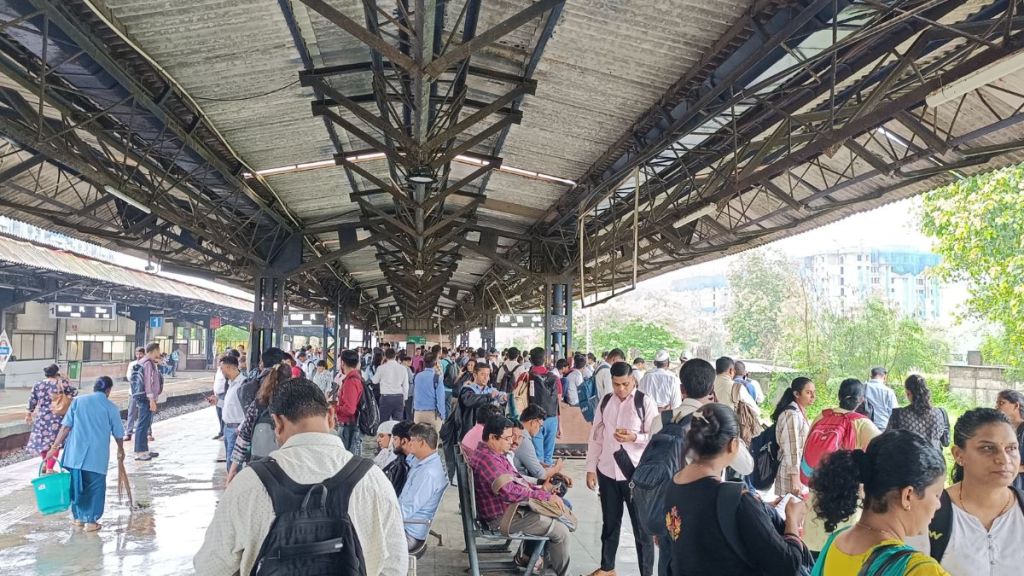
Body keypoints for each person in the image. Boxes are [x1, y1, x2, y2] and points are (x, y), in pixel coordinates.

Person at [194, 381, 407, 576]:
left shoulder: (249, 483)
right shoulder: (373, 480)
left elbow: (210, 566)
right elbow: (395, 564)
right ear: (331, 416)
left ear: (277, 422)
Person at [663, 403, 811, 576]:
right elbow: (787, 565)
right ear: (733, 444)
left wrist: (761, 509)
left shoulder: (673, 486)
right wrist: (792, 518)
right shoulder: (737, 501)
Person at [810, 430, 948, 575]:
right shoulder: (920, 570)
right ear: (907, 496)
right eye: (937, 495)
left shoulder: (835, 543)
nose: (938, 505)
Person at [905, 408, 1024, 576]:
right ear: (959, 455)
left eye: (1011, 448)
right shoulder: (932, 513)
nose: (1004, 459)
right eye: (988, 448)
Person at [469, 416, 571, 576]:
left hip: (509, 510)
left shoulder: (493, 455)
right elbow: (509, 491)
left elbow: (516, 480)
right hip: (503, 517)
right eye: (507, 438)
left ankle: (544, 567)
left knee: (560, 513)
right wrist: (545, 497)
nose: (512, 441)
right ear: (492, 438)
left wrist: (541, 489)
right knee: (561, 531)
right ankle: (552, 571)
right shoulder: (489, 460)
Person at [585, 361, 658, 576]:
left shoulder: (644, 402)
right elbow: (596, 436)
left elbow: (655, 438)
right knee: (610, 523)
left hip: (635, 474)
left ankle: (646, 572)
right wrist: (591, 468)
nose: (621, 389)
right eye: (616, 384)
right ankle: (607, 568)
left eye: (625, 384)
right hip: (607, 472)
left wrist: (635, 437)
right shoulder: (606, 401)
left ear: (633, 380)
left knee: (641, 528)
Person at [803, 378, 881, 551]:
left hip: (816, 499)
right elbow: (883, 454)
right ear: (861, 400)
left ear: (839, 396)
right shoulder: (862, 423)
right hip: (847, 504)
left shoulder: (821, 417)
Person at [45, 376, 125, 532]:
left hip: (75, 453)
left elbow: (65, 427)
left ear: (94, 387)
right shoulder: (111, 407)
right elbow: (118, 434)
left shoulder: (78, 402)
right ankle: (91, 521)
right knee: (95, 487)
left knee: (76, 485)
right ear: (108, 390)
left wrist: (54, 447)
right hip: (96, 456)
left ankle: (78, 519)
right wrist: (120, 449)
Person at [227, 363, 293, 483]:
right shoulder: (294, 405)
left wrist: (233, 469)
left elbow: (244, 436)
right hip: (286, 466)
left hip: (259, 467)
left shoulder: (259, 404)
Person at [399, 423, 447, 551]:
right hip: (404, 525)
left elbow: (405, 510)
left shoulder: (427, 474)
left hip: (408, 533)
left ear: (422, 443)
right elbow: (410, 460)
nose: (409, 444)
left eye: (412, 441)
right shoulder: (423, 460)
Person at [26, 364, 77, 472]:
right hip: (57, 417)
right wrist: (65, 379)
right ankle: (50, 468)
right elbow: (74, 392)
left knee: (43, 442)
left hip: (42, 417)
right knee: (55, 443)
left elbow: (32, 400)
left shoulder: (38, 384)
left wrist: (28, 414)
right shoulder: (61, 383)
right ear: (56, 372)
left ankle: (45, 463)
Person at [772, 377, 815, 496]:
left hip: (797, 469)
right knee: (788, 510)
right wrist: (795, 478)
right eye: (808, 392)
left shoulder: (799, 412)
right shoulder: (791, 414)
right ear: (796, 394)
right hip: (790, 473)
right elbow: (792, 448)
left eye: (813, 392)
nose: (813, 396)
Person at [887, 375, 949, 452]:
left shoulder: (898, 415)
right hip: (935, 461)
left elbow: (887, 441)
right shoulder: (940, 413)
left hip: (908, 461)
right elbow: (945, 442)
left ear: (908, 393)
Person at [525, 347, 560, 466]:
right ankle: (549, 478)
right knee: (549, 456)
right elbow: (558, 400)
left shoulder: (527, 376)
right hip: (552, 418)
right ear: (545, 359)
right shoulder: (555, 377)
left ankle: (540, 482)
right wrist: (560, 424)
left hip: (534, 419)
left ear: (530, 360)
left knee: (537, 456)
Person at [516, 404, 566, 482]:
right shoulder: (523, 439)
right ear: (533, 422)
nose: (539, 430)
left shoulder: (518, 432)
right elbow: (541, 475)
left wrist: (540, 464)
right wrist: (557, 467)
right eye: (540, 426)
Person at [134, 342, 163, 461]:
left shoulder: (147, 362)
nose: (159, 353)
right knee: (142, 424)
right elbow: (148, 383)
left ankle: (144, 450)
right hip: (145, 398)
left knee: (145, 424)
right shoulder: (147, 364)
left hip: (144, 397)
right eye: (158, 350)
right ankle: (140, 452)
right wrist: (151, 399)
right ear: (154, 350)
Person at [334, 349, 366, 455]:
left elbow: (349, 409)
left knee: (345, 459)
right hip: (351, 425)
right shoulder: (355, 378)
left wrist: (334, 408)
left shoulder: (351, 381)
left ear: (342, 363)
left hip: (348, 426)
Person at [219, 354, 247, 472]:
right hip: (228, 427)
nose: (221, 372)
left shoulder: (244, 384)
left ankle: (234, 487)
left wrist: (240, 428)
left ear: (230, 368)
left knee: (233, 464)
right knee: (230, 461)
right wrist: (218, 402)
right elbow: (230, 406)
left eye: (222, 369)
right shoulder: (231, 383)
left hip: (236, 428)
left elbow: (250, 409)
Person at [638, 349, 682, 417]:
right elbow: (676, 405)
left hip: (648, 416)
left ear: (655, 363)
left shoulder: (645, 378)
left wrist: (654, 409)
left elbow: (639, 400)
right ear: (668, 363)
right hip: (666, 417)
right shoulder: (673, 379)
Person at [995, 389, 1024, 491]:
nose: (997, 407)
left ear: (1016, 406)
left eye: (1001, 403)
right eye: (997, 403)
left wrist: (1009, 468)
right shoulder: (1007, 429)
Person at [412, 354, 447, 431]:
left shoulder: (417, 376)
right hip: (432, 414)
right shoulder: (437, 378)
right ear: (435, 364)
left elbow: (415, 394)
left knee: (419, 440)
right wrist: (443, 416)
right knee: (433, 440)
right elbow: (440, 398)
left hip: (418, 414)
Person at [373, 348, 409, 422]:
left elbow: (374, 381)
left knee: (383, 422)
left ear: (385, 356)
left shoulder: (381, 368)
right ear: (395, 356)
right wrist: (404, 398)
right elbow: (406, 386)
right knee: (397, 423)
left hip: (386, 398)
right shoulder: (403, 368)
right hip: (399, 397)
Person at [124, 346, 145, 442]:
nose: (138, 356)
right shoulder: (132, 364)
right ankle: (128, 433)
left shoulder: (146, 364)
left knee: (143, 413)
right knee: (131, 412)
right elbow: (129, 376)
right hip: (132, 392)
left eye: (140, 354)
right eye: (137, 354)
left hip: (144, 392)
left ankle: (146, 432)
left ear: (144, 354)